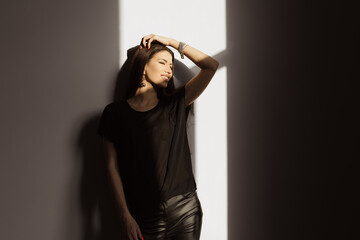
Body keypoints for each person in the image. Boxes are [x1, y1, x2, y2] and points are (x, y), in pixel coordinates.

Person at [98, 34, 219, 240]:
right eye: (162, 62)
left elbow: (211, 66)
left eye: (171, 66)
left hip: (186, 209)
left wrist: (172, 43)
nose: (169, 70)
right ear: (144, 66)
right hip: (144, 215)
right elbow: (111, 167)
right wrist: (124, 215)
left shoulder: (175, 104)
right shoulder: (114, 113)